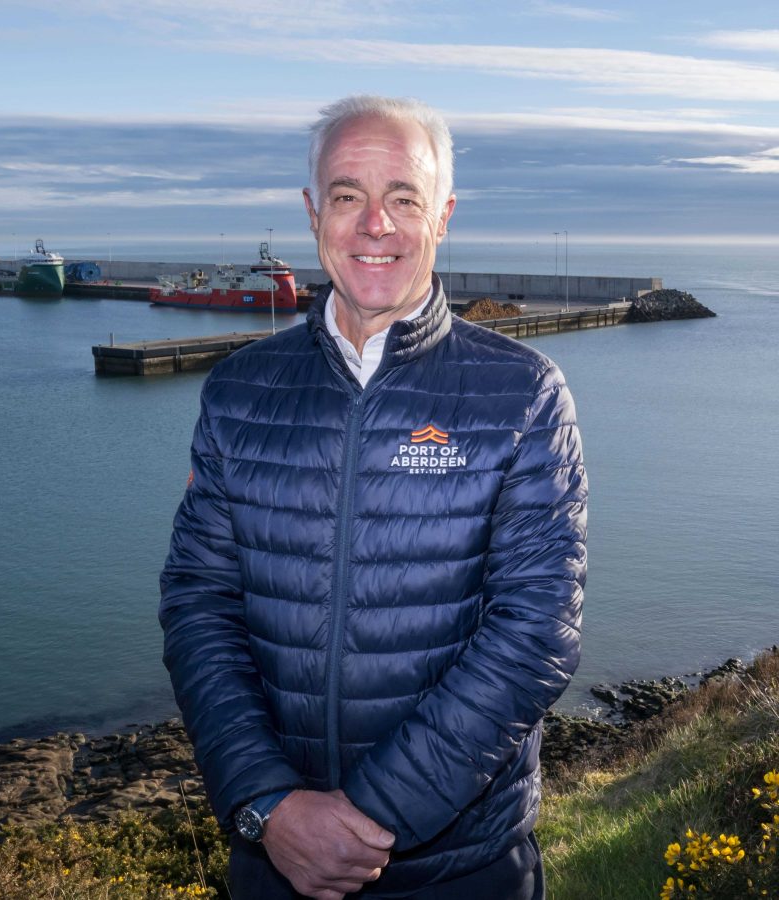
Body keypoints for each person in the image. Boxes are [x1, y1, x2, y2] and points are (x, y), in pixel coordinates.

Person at [159, 95, 587, 900]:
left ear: (443, 216)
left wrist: (366, 819)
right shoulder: (238, 391)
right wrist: (269, 806)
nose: (375, 225)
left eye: (404, 198)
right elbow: (198, 605)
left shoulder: (523, 394)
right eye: (349, 195)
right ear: (313, 211)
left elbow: (537, 632)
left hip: (461, 871)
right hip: (272, 865)